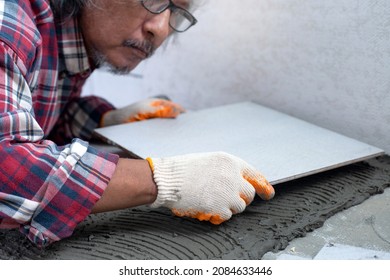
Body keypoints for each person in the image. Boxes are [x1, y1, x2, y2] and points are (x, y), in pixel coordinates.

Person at [0, 0, 275, 247]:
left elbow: (41, 111)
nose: (161, 29)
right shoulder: (8, 24)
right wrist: (165, 180)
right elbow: (5, 165)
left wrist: (105, 119)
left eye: (178, 12)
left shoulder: (70, 41)